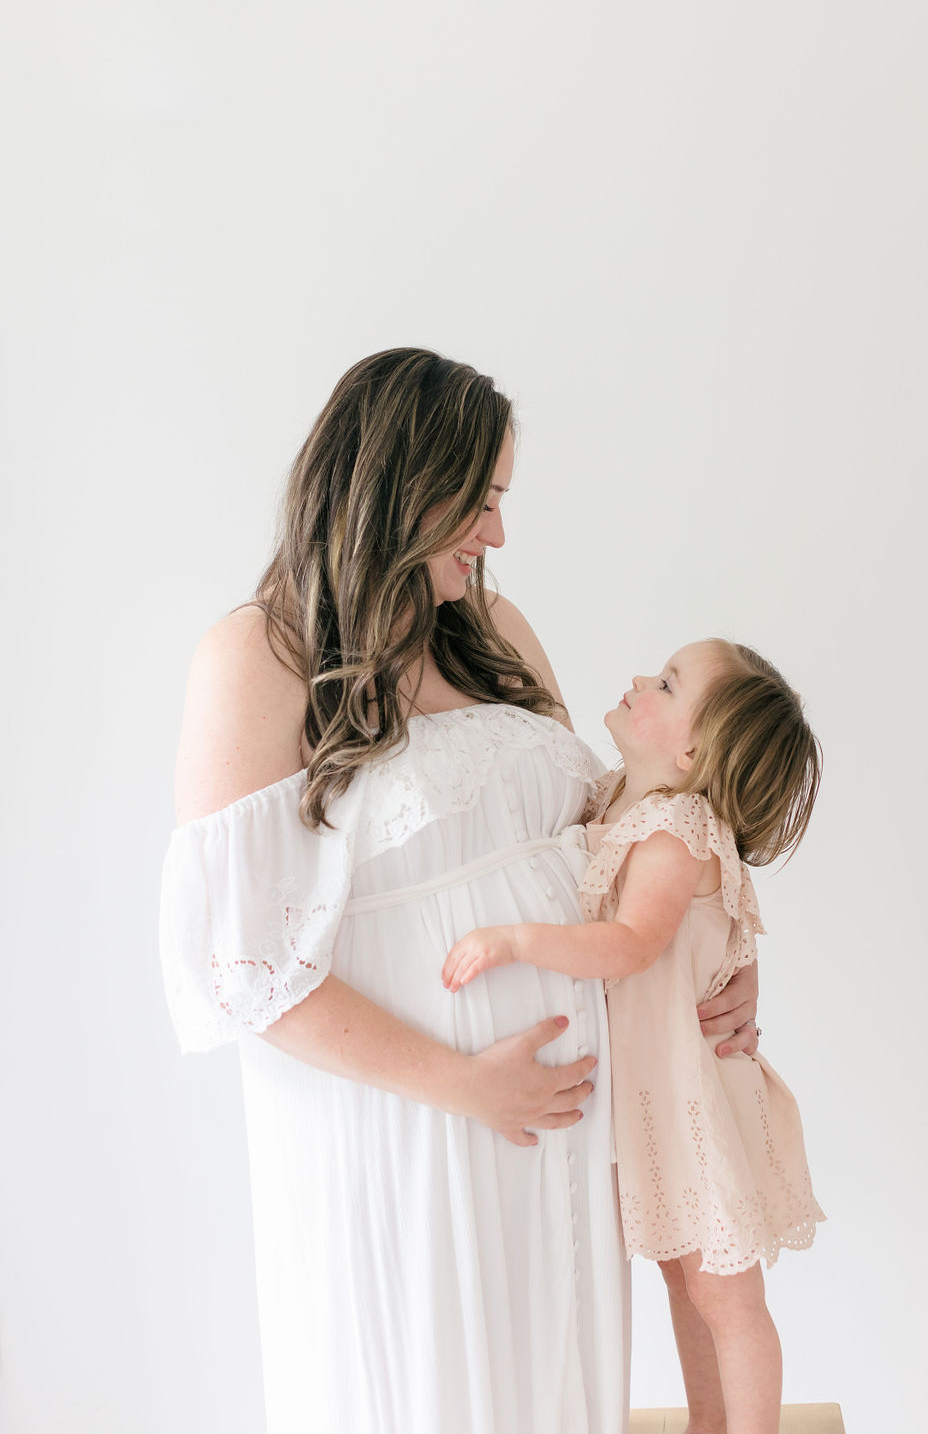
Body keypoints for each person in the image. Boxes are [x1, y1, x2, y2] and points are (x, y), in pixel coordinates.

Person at [159, 349, 761, 1434]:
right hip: (398, 1129)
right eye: (477, 502)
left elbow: (616, 836)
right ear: (397, 486)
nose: (494, 535)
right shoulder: (257, 656)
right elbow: (239, 969)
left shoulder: (493, 627)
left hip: (554, 1131)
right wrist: (461, 1082)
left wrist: (726, 952)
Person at [443, 639, 825, 1434]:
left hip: (695, 1101)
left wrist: (517, 941)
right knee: (685, 1282)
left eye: (665, 682)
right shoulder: (622, 800)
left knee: (725, 1292)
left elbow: (632, 943)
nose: (637, 680)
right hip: (658, 1100)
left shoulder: (677, 827)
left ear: (692, 750)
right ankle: (708, 1422)